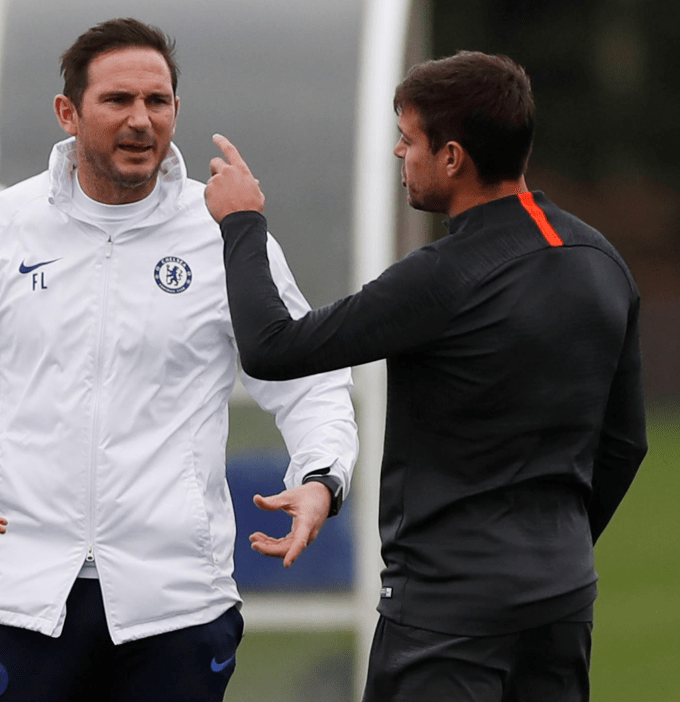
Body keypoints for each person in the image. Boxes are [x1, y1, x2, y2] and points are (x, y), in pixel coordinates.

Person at [0, 18, 358, 702]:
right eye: (118, 101)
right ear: (67, 113)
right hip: (21, 600)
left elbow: (309, 378)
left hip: (178, 604)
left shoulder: (223, 231)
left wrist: (321, 476)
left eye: (157, 102)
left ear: (176, 112)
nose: (141, 120)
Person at [205, 50, 647, 702]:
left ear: (452, 157)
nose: (397, 153)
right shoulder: (601, 261)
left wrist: (241, 225)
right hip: (562, 603)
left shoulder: (443, 276)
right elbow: (626, 442)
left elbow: (273, 349)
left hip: (448, 613)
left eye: (408, 139)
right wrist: (553, 551)